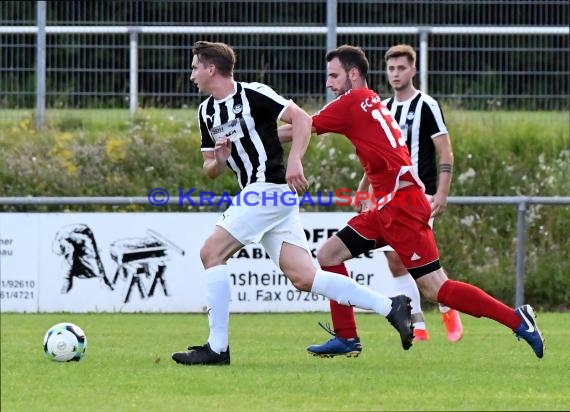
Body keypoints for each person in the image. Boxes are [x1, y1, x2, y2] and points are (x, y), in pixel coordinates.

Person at [280, 45, 544, 360]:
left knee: (437, 289)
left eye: (334, 76)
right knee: (328, 254)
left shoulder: (352, 102)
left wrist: (249, 134)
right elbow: (382, 152)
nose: (329, 83)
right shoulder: (374, 101)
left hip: (402, 207)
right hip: (387, 205)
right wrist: (367, 187)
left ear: (353, 74)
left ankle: (517, 319)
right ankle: (347, 336)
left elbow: (302, 125)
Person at [171, 41, 415, 366]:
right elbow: (210, 170)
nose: (192, 75)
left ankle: (217, 348)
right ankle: (391, 306)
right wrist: (219, 158)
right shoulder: (207, 112)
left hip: (268, 189)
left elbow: (301, 119)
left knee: (210, 253)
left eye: (195, 67)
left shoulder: (253, 93)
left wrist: (295, 162)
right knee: (304, 277)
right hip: (266, 195)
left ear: (211, 68)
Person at [306, 44, 462, 357]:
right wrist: (365, 190)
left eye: (401, 68)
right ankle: (416, 322)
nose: (395, 73)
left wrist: (442, 192)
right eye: (391, 68)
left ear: (413, 70)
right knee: (395, 261)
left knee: (423, 271)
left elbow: (444, 149)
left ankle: (446, 306)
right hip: (388, 195)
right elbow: (374, 153)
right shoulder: (381, 104)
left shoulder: (426, 105)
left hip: (418, 193)